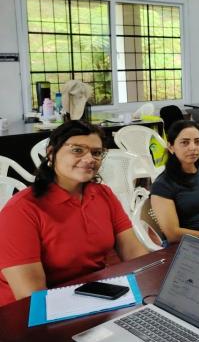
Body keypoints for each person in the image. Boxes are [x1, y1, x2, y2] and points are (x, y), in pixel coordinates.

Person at [0, 121, 147, 306]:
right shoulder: (21, 211)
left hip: (94, 296)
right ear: (51, 154)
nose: (89, 159)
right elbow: (31, 297)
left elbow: (134, 251)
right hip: (31, 315)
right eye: (77, 150)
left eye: (96, 152)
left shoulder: (103, 194)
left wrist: (151, 282)